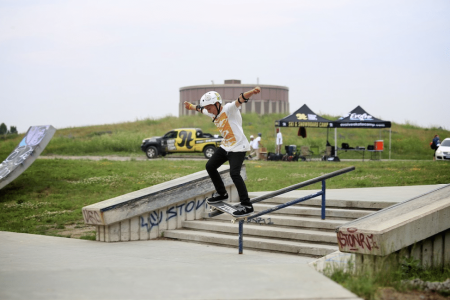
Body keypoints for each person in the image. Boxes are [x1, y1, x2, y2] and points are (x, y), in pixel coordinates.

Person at [184, 87, 261, 217]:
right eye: (208, 109)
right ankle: (222, 193)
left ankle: (247, 205)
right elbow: (200, 109)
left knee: (234, 173)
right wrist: (191, 106)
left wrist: (252, 92)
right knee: (210, 166)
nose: (209, 111)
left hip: (238, 147)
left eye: (210, 108)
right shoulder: (212, 112)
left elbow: (241, 99)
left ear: (217, 104)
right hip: (226, 146)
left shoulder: (229, 109)